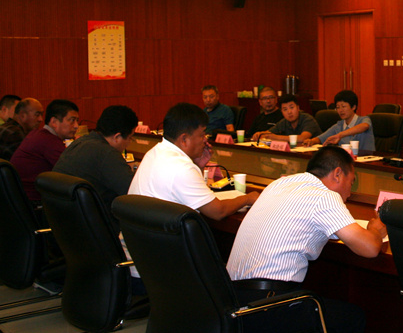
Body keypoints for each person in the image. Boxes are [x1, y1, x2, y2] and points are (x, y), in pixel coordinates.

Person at [227, 146, 386, 333]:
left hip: (231, 298)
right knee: (353, 316)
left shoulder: (279, 184)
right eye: (351, 183)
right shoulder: (323, 196)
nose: (349, 193)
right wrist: (375, 230)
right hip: (268, 306)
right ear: (337, 174)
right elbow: (370, 248)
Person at [128, 102, 258, 220]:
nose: (205, 140)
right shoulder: (182, 168)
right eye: (202, 134)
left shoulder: (154, 152)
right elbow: (218, 211)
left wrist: (199, 166)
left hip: (139, 236)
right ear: (184, 139)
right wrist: (248, 198)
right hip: (162, 238)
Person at [53, 105, 139, 231]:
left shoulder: (81, 142)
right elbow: (134, 194)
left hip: (64, 223)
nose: (129, 143)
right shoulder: (107, 153)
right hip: (94, 227)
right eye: (130, 138)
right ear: (117, 137)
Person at [12, 99, 79, 201]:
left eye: (77, 120)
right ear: (54, 122)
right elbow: (74, 172)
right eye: (72, 120)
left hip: (19, 198)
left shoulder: (39, 134)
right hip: (34, 201)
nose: (76, 126)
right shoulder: (49, 141)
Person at [304, 90, 375, 152]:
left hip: (368, 160)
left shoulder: (364, 120)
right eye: (338, 107)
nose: (340, 110)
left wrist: (340, 135)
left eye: (343, 106)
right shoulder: (339, 126)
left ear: (353, 107)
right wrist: (311, 141)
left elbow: (365, 126)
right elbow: (321, 138)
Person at [255, 94, 321, 143]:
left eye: (291, 107)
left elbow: (302, 138)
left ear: (298, 108)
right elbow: (267, 133)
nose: (289, 112)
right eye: (285, 109)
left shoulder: (308, 119)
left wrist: (274, 137)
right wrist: (260, 134)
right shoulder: (284, 122)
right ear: (282, 112)